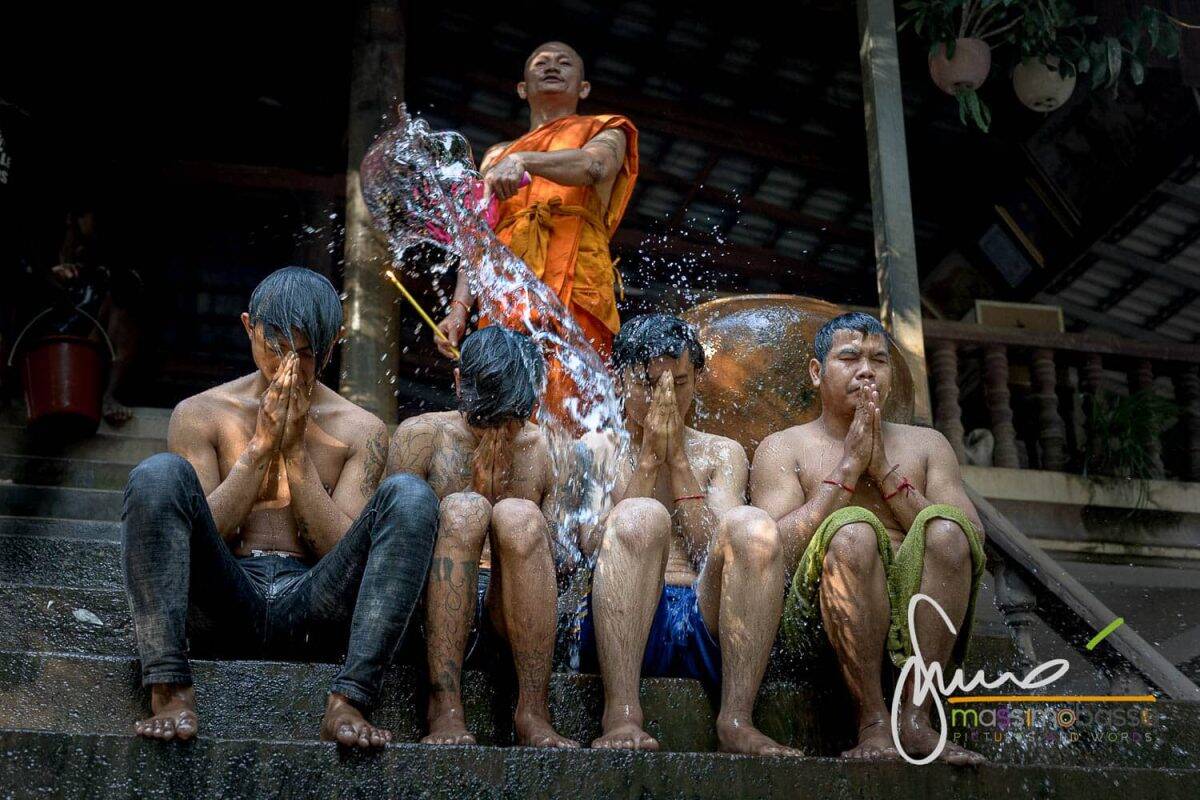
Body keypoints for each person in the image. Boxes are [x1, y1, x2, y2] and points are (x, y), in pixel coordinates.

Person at [121, 267, 438, 748]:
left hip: (316, 602)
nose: (289, 367)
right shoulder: (201, 413)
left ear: (332, 345)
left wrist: (294, 453)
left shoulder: (360, 429)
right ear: (249, 328)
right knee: (157, 474)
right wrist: (260, 448)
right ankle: (169, 687)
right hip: (226, 595)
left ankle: (350, 699)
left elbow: (341, 551)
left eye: (307, 354)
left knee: (413, 497)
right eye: (276, 347)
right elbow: (204, 536)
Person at [750, 312, 987, 765]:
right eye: (850, 357)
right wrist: (847, 471)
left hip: (922, 611)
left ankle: (915, 719)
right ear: (817, 371)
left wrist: (883, 471)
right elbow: (769, 550)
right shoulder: (785, 447)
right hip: (822, 614)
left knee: (950, 530)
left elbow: (975, 541)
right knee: (854, 530)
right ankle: (872, 721)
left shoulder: (929, 444)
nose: (866, 370)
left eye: (879, 360)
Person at [575, 314, 795, 755]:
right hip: (623, 621)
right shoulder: (595, 447)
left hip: (707, 617)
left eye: (678, 384)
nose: (665, 398)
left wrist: (677, 461)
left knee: (753, 526)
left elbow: (710, 549)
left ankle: (737, 719)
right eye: (649, 384)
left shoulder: (721, 452)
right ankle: (620, 714)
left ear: (696, 378)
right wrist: (649, 461)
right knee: (640, 516)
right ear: (621, 379)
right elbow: (592, 546)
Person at [386, 325, 576, 748]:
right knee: (464, 509)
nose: (498, 431)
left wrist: (506, 519)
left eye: (509, 419)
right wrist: (475, 502)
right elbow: (392, 548)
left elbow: (562, 560)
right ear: (458, 384)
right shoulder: (422, 437)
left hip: (513, 613)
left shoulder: (545, 448)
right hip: (429, 607)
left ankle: (533, 709)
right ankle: (445, 707)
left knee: (519, 515)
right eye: (485, 417)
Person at [436, 42, 637, 417]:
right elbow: (477, 236)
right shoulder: (496, 156)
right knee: (503, 408)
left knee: (574, 408)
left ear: (584, 88)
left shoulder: (606, 129)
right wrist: (459, 308)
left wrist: (524, 160)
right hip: (507, 297)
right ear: (522, 88)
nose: (552, 67)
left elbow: (594, 167)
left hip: (577, 287)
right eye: (541, 62)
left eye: (565, 63)